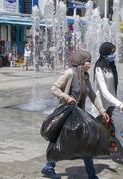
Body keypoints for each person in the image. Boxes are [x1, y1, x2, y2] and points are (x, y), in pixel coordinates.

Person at [42, 50, 110, 179]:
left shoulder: (85, 75)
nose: (90, 63)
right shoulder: (69, 73)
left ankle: (91, 175)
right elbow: (54, 88)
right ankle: (48, 167)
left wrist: (102, 110)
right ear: (80, 62)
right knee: (59, 141)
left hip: (80, 114)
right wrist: (66, 97)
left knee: (87, 141)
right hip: (67, 114)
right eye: (88, 61)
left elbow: (92, 95)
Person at [93, 42, 123, 168]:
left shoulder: (111, 66)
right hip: (100, 105)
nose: (114, 54)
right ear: (105, 53)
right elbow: (104, 91)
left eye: (114, 51)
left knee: (119, 129)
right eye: (112, 52)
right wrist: (121, 105)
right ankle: (84, 151)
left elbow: (112, 89)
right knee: (93, 131)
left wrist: (117, 104)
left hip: (113, 104)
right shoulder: (99, 68)